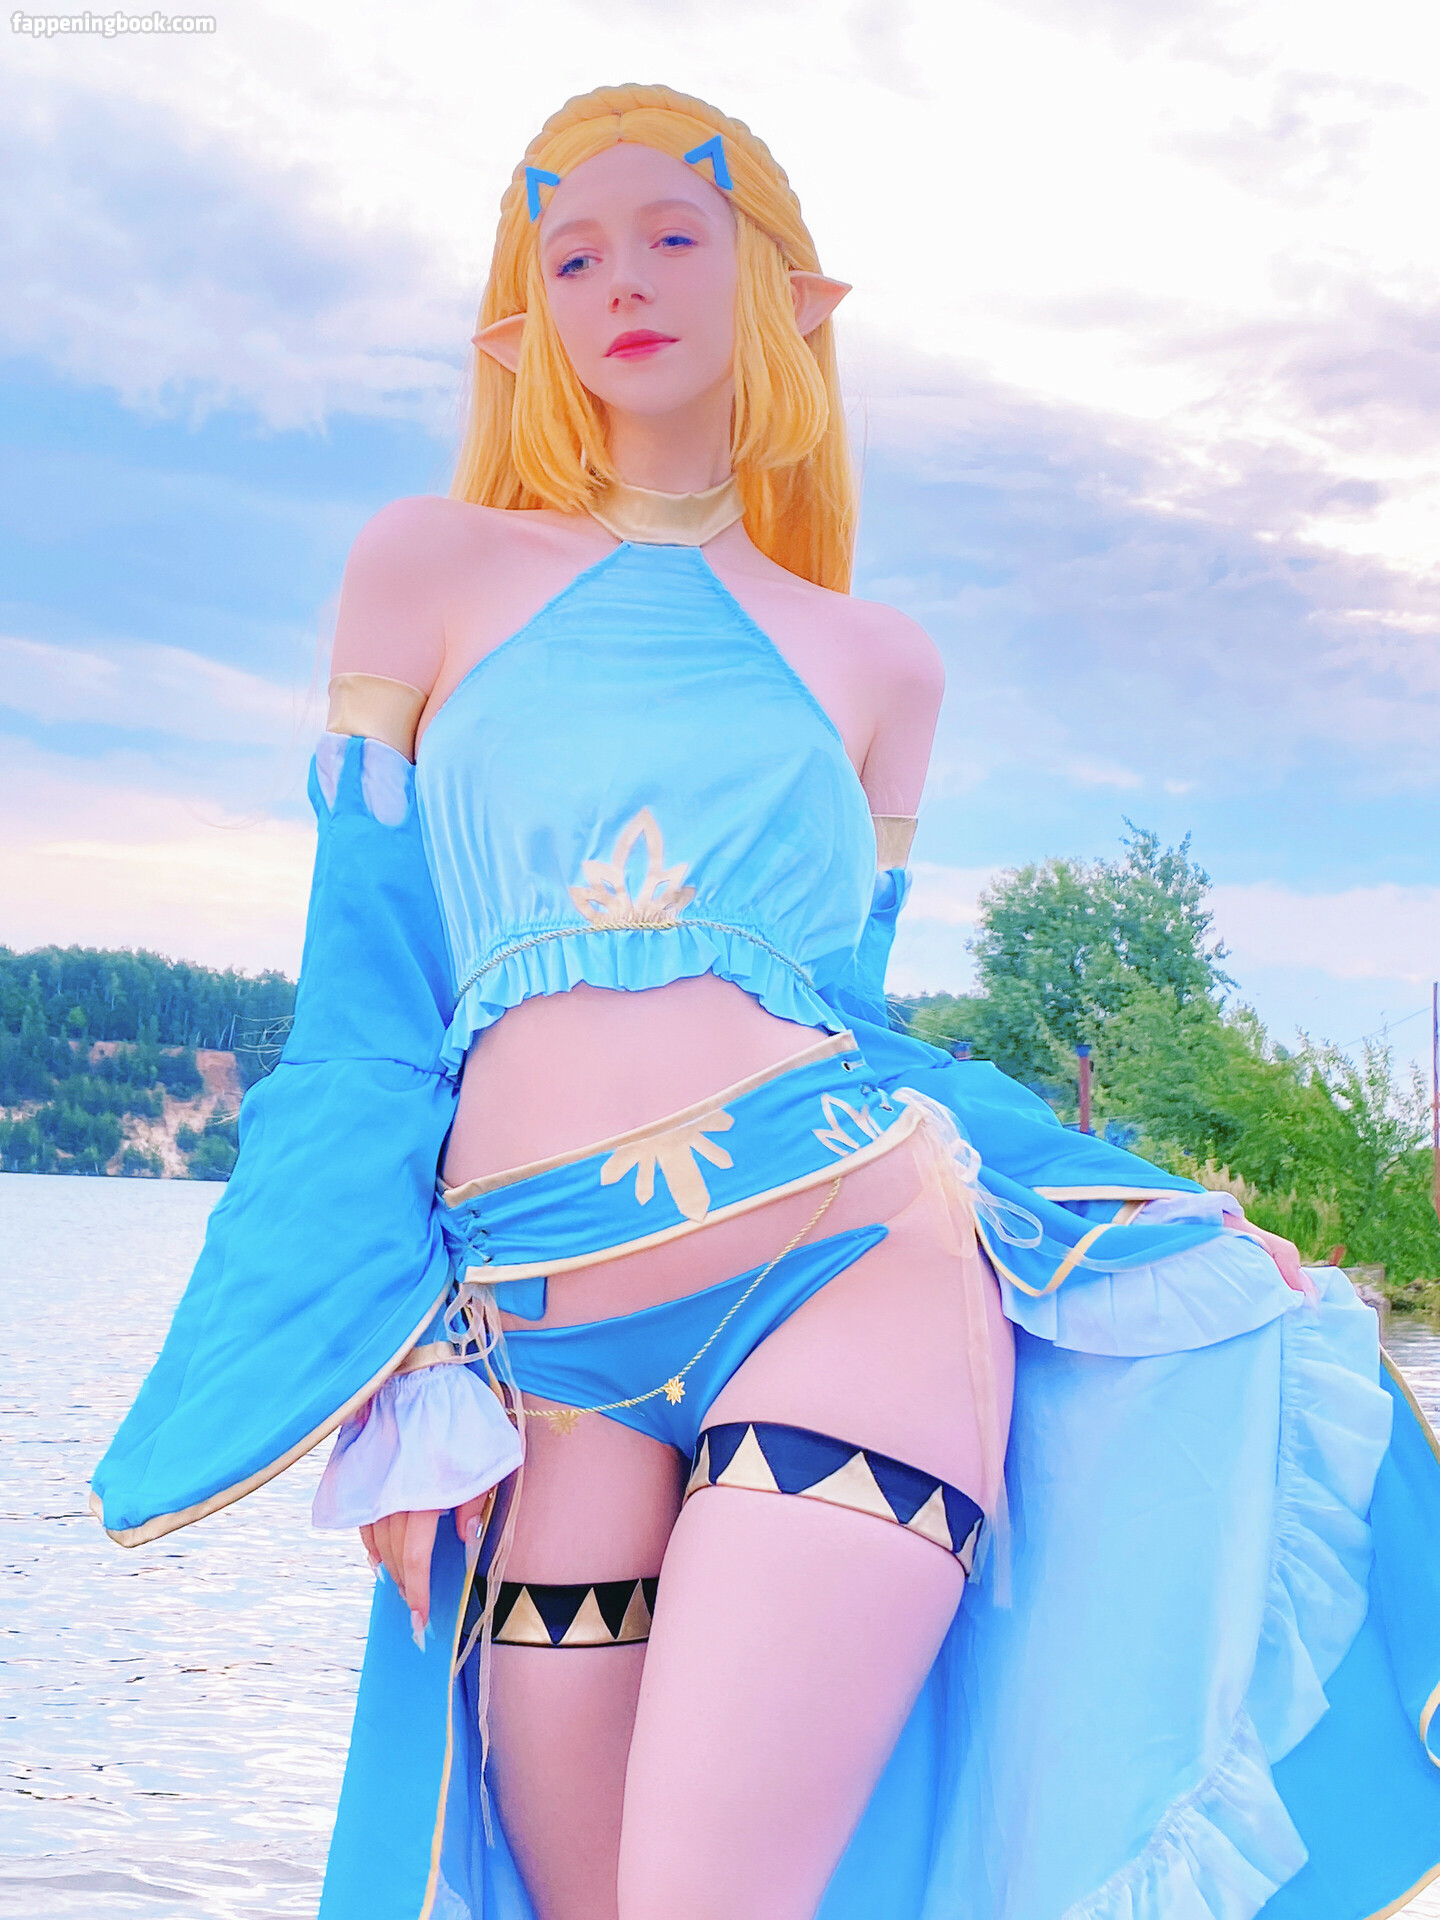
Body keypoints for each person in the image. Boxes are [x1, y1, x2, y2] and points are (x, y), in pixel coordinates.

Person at [93, 85, 1440, 1920]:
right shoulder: (426, 570)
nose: (622, 284)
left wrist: (1149, 1202)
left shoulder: (880, 664)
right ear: (523, 323)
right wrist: (378, 1366)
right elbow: (364, 1007)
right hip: (539, 1344)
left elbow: (851, 1025)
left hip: (846, 1273)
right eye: (574, 256)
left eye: (673, 237)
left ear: (788, 297)